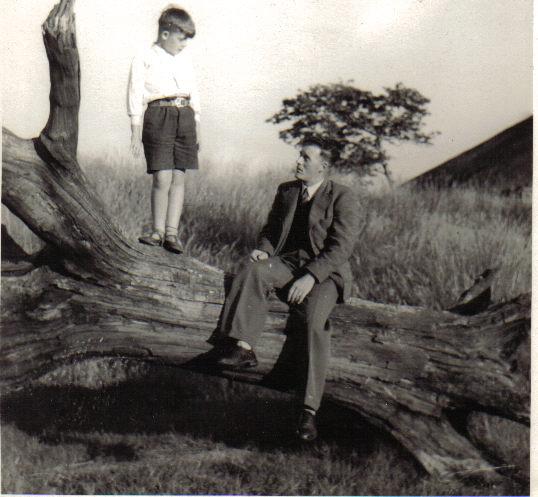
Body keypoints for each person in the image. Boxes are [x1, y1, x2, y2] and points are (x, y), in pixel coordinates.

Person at [209, 137, 359, 441]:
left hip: (325, 273)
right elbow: (270, 230)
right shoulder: (287, 191)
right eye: (299, 156)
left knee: (314, 323)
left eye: (306, 157)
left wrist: (312, 277)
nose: (298, 162)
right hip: (287, 263)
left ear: (324, 166)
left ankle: (307, 409)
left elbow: (341, 248)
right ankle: (243, 347)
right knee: (252, 270)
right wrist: (264, 249)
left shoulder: (343, 196)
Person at [128, 5, 201, 254]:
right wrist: (135, 129)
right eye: (181, 39)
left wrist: (197, 123)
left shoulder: (186, 60)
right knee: (162, 177)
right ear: (166, 33)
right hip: (158, 116)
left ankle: (172, 233)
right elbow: (135, 93)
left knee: (179, 177)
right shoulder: (144, 57)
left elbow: (195, 92)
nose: (184, 45)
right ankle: (157, 231)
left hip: (185, 116)